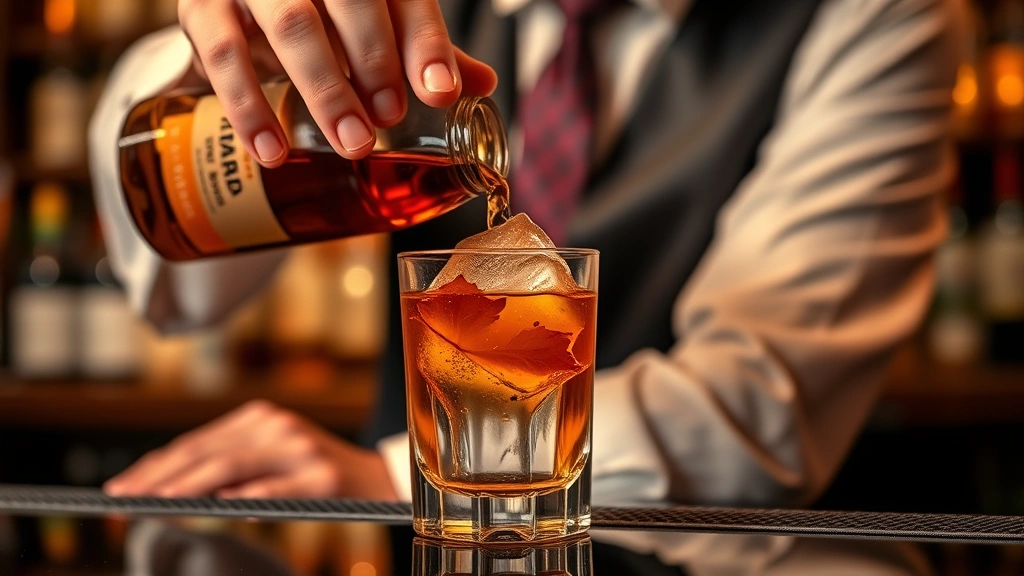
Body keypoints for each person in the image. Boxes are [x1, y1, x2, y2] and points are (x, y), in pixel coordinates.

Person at [94, 0, 960, 513]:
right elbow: (174, 290)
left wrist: (389, 477)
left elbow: (762, 402)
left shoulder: (873, 14)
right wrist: (217, 65)